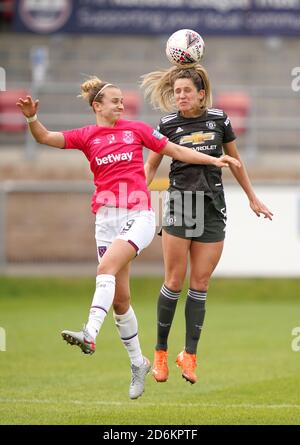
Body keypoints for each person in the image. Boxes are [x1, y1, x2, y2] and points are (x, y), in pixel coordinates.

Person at [16, 77, 240, 399]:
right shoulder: (86, 136)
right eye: (115, 101)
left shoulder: (135, 130)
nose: (121, 105)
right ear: (97, 106)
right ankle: (138, 363)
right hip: (106, 221)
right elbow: (45, 138)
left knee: (105, 268)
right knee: (121, 300)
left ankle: (90, 333)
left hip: (139, 215)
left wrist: (213, 158)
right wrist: (31, 118)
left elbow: (176, 150)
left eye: (122, 100)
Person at [141, 64, 273, 385]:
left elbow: (236, 162)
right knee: (174, 281)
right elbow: (152, 164)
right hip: (181, 204)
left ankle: (190, 355)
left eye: (187, 91)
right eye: (177, 92)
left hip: (212, 205)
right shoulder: (167, 124)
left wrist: (252, 197)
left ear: (201, 94)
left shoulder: (219, 120)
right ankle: (160, 353)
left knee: (200, 284)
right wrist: (137, 195)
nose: (181, 96)